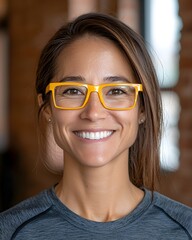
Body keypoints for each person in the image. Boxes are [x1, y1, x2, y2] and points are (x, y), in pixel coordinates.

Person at [0, 13, 192, 239]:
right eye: (73, 91)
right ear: (48, 107)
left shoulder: (185, 230)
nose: (93, 113)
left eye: (116, 91)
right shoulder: (10, 232)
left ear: (141, 108)